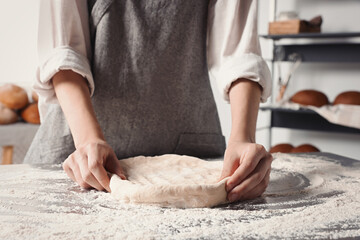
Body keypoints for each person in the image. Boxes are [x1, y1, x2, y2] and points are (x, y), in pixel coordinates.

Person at [25, 0, 273, 203]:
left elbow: (239, 52)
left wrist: (243, 138)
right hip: (78, 150)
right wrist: (88, 140)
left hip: (187, 153)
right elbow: (63, 51)